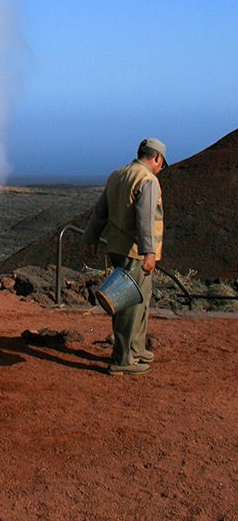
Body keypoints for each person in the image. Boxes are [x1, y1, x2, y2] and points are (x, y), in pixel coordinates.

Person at [83, 138, 167, 376]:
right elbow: (145, 220)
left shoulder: (117, 175)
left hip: (116, 247)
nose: (161, 167)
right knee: (128, 303)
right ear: (156, 158)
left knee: (141, 298)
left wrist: (90, 239)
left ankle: (136, 347)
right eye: (162, 163)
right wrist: (149, 252)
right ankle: (122, 359)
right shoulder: (148, 180)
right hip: (135, 252)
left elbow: (100, 212)